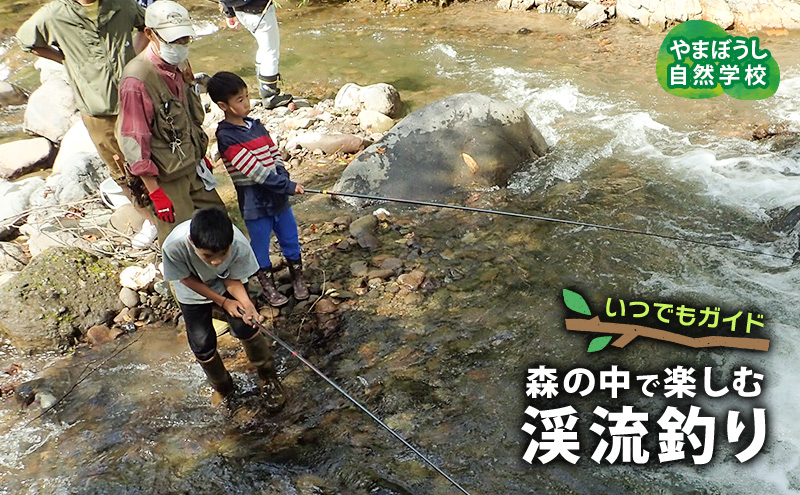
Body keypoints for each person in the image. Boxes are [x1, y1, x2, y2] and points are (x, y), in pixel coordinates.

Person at [16, 0, 158, 248]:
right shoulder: (56, 13)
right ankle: (151, 220)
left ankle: (173, 211)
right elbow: (27, 40)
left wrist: (133, 57)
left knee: (151, 158)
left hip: (132, 99)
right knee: (121, 172)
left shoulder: (121, 5)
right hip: (96, 109)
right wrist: (65, 60)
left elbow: (150, 24)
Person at [117, 0, 225, 246]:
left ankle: (227, 280)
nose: (180, 46)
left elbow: (188, 114)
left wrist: (200, 154)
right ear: (149, 34)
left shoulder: (181, 62)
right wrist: (154, 192)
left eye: (185, 39)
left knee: (219, 223)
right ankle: (187, 284)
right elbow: (135, 142)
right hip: (166, 179)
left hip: (192, 165)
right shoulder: (137, 81)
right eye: (173, 41)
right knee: (180, 241)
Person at [162, 206, 286, 410]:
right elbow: (185, 278)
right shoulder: (174, 246)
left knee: (245, 326)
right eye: (208, 255)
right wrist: (223, 302)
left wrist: (247, 305)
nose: (216, 260)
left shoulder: (238, 243)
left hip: (227, 283)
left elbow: (232, 279)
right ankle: (223, 387)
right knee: (202, 344)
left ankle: (268, 376)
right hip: (192, 291)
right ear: (193, 243)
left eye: (222, 253)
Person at [206, 71, 308, 307]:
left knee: (290, 237)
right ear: (223, 105)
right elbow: (256, 172)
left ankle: (298, 278)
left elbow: (274, 154)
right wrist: (287, 186)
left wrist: (283, 175)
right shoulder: (226, 137)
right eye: (239, 100)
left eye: (246, 96)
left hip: (278, 199)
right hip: (255, 203)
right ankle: (267, 287)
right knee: (260, 246)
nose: (247, 103)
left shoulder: (256, 125)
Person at [218, 0, 293, 109]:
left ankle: (264, 90)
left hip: (240, 11)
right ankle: (270, 96)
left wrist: (229, 13)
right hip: (260, 11)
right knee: (270, 52)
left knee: (263, 47)